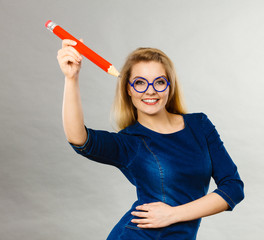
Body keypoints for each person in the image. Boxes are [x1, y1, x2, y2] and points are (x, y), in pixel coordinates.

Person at [57, 39, 244, 240]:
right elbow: (79, 139)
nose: (150, 90)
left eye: (160, 82)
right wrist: (71, 78)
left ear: (170, 86)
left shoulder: (199, 125)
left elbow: (233, 188)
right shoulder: (130, 142)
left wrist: (173, 214)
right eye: (139, 82)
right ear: (128, 89)